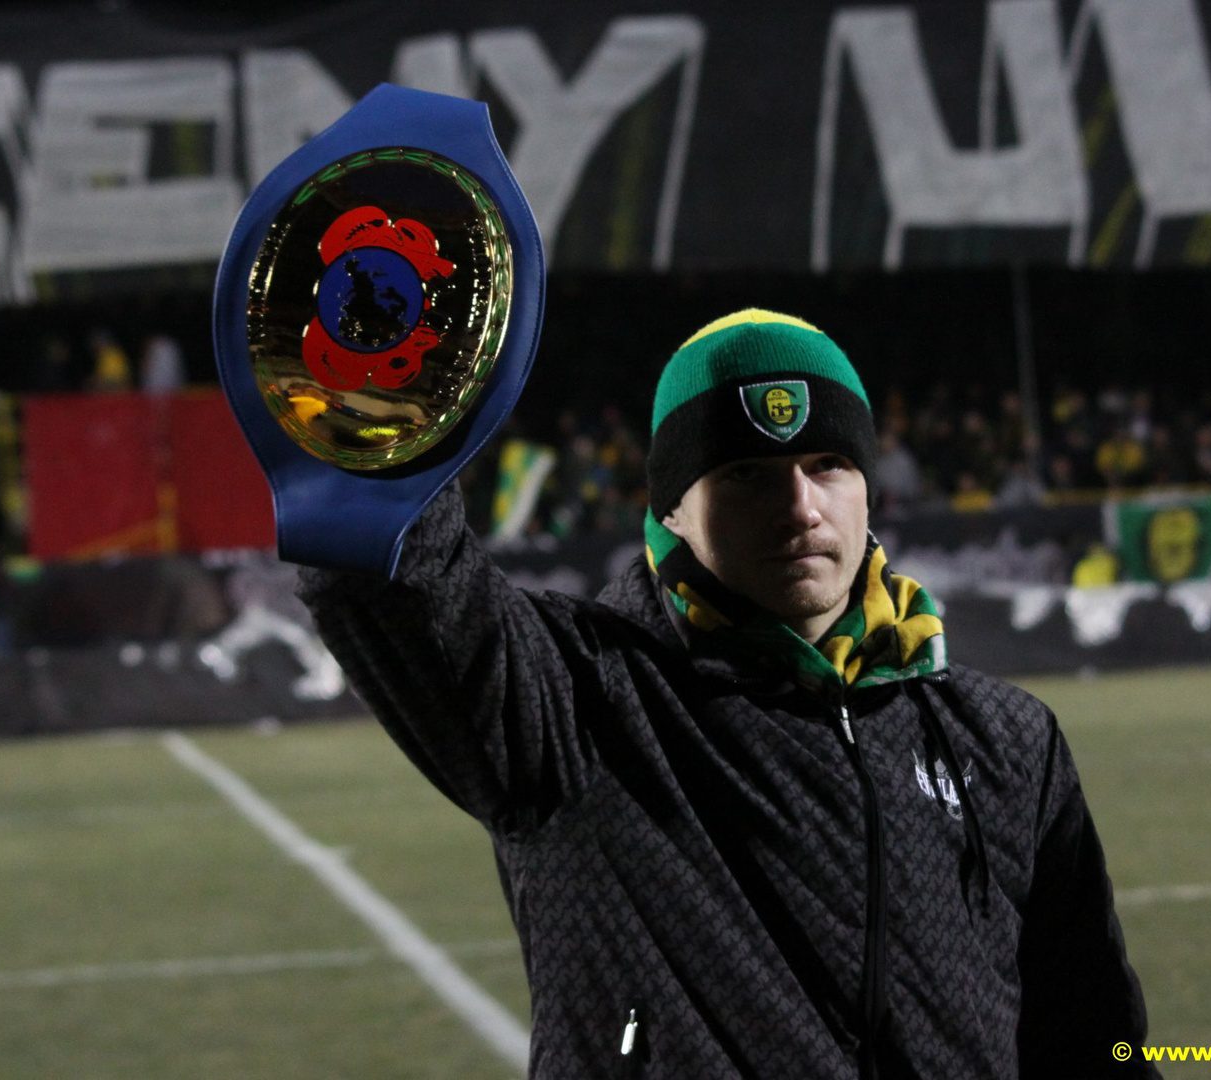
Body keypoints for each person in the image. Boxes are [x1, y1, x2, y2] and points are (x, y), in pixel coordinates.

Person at [298, 309, 1158, 1078]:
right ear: (673, 507)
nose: (801, 507)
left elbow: (1091, 1039)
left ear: (869, 487)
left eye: (828, 464)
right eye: (747, 473)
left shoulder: (1007, 739)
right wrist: (372, 372)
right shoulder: (574, 700)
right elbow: (392, 582)